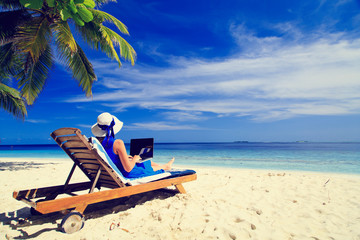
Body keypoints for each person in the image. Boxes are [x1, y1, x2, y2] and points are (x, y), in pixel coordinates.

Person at [91, 112, 174, 178]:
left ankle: (165, 165)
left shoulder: (96, 143)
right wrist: (134, 159)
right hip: (125, 173)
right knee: (144, 167)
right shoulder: (118, 143)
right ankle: (165, 167)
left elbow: (109, 156)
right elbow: (128, 169)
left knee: (144, 162)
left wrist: (125, 157)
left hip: (111, 172)